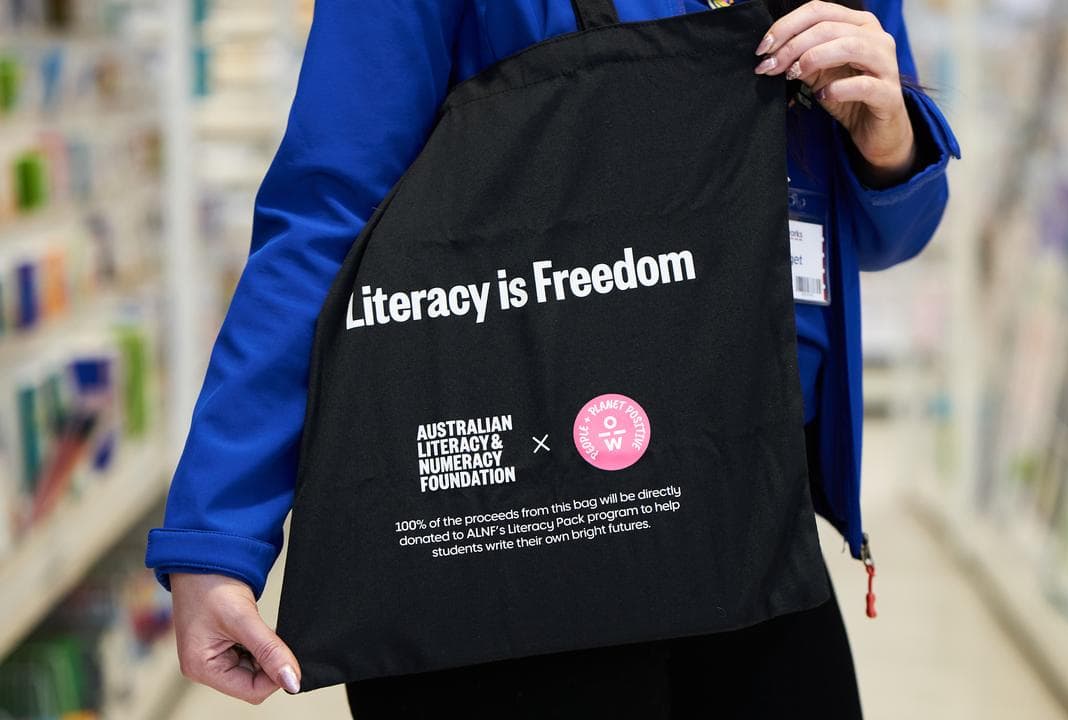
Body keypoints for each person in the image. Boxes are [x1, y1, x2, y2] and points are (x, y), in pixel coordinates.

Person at [144, 0, 960, 716]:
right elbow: (331, 213)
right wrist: (218, 530)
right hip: (512, 537)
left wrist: (888, 142)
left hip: (747, 516)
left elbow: (882, 237)